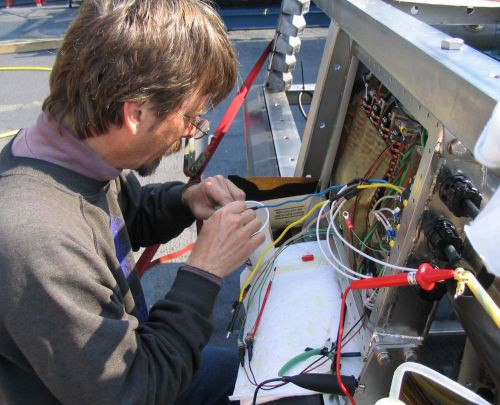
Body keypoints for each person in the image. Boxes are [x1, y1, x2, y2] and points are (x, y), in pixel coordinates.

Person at [0, 0, 264, 404]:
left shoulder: (73, 149)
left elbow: (125, 216)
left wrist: (185, 200)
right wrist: (205, 272)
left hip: (127, 360)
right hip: (129, 384)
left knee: (261, 377)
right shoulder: (37, 242)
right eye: (191, 117)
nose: (191, 133)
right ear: (136, 114)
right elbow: (134, 392)